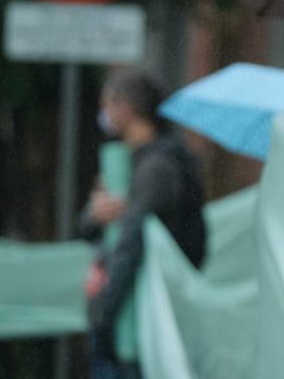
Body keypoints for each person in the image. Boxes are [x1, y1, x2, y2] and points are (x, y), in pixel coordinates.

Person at [82, 69, 206, 378]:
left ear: (126, 108)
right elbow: (87, 227)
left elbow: (130, 244)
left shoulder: (157, 168)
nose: (104, 115)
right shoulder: (130, 163)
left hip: (137, 323)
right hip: (132, 314)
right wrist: (96, 215)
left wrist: (103, 312)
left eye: (107, 105)